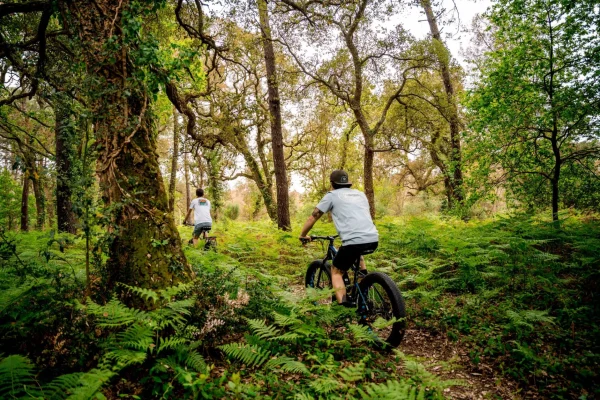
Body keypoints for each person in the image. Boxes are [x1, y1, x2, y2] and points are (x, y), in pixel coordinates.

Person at [299, 170, 379, 306]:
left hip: (353, 242)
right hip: (372, 238)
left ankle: (344, 304)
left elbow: (313, 216)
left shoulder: (331, 196)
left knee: (336, 272)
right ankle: (363, 284)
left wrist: (302, 235)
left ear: (332, 183)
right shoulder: (360, 195)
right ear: (347, 183)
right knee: (358, 254)